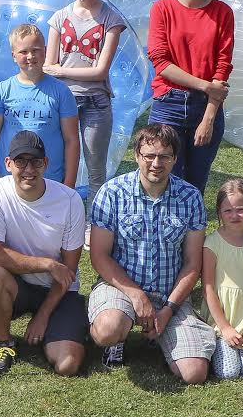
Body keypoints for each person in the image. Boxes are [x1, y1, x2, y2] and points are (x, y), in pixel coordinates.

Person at [88, 123, 215, 383]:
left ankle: (160, 332)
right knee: (108, 330)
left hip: (170, 294)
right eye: (149, 155)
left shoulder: (190, 198)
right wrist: (137, 296)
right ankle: (117, 336)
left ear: (174, 159)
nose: (156, 163)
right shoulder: (111, 193)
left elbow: (193, 263)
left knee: (195, 374)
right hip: (121, 288)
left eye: (164, 156)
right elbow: (99, 256)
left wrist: (168, 309)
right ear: (137, 156)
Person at [0, 131, 87, 376]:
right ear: (8, 164)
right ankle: (4, 343)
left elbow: (67, 270)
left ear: (46, 163)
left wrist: (44, 315)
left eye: (36, 161)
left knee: (67, 366)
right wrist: (47, 264)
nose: (28, 169)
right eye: (20, 162)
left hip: (60, 288)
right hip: (19, 286)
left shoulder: (70, 200)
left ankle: (60, 324)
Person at [43, 0, 126, 238]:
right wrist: (58, 70)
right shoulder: (59, 18)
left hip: (95, 103)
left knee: (95, 168)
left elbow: (101, 71)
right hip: (63, 103)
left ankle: (94, 225)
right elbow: (47, 65)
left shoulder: (111, 19)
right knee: (57, 163)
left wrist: (61, 71)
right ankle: (58, 219)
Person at [147, 0, 234, 194]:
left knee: (195, 186)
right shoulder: (162, 9)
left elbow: (223, 65)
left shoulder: (222, 12)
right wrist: (204, 84)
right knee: (161, 181)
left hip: (206, 107)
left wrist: (208, 118)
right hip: (168, 105)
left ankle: (191, 235)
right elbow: (160, 62)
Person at [0, 24, 80, 189]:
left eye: (36, 50)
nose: (30, 56)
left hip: (50, 181)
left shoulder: (61, 91)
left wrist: (69, 184)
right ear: (13, 55)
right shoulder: (3, 90)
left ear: (45, 51)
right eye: (23, 52)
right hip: (9, 180)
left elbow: (72, 140)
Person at [200, 179, 243, 379]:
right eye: (227, 210)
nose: (234, 215)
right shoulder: (212, 243)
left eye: (240, 209)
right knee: (228, 373)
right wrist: (225, 327)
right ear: (219, 212)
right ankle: (219, 343)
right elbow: (208, 287)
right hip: (222, 319)